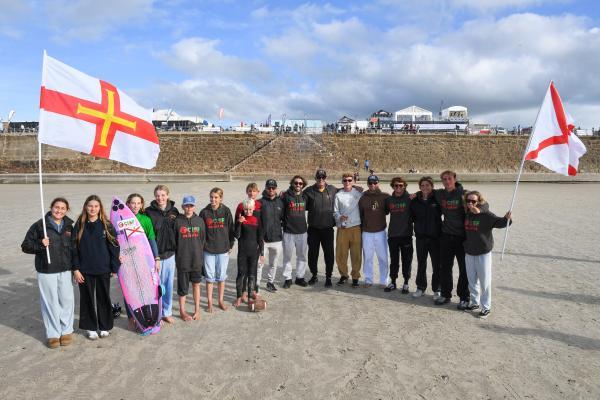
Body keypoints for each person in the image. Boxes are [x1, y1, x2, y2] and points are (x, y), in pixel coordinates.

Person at [21, 197, 75, 349]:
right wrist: (40, 244)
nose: (59, 210)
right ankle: (53, 334)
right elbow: (25, 246)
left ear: (66, 210)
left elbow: (75, 248)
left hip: (65, 269)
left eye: (62, 208)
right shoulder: (40, 225)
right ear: (51, 208)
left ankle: (66, 330)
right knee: (50, 302)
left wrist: (76, 268)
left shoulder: (70, 226)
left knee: (67, 300)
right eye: (56, 207)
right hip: (46, 270)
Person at [72, 195, 120, 340]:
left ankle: (105, 326)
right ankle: (90, 327)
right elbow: (73, 249)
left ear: (100, 208)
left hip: (103, 268)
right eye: (90, 206)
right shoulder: (80, 224)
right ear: (86, 207)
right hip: (84, 270)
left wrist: (114, 267)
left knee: (103, 297)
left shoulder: (106, 224)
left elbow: (114, 247)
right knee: (87, 298)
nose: (93, 209)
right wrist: (75, 269)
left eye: (96, 206)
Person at [463, 191, 512, 318]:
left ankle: (486, 307)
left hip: (483, 253)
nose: (470, 203)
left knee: (484, 282)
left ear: (479, 201)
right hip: (469, 252)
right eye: (468, 201)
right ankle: (474, 303)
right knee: (472, 280)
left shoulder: (486, 215)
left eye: (473, 201)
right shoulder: (466, 213)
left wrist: (507, 218)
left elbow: (500, 223)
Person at [434, 171, 472, 309]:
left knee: (464, 269)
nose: (447, 181)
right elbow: (424, 192)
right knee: (445, 268)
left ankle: (463, 297)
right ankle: (445, 294)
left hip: (462, 238)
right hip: (446, 236)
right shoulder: (440, 194)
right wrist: (415, 195)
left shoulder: (464, 194)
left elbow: (482, 203)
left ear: (455, 179)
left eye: (449, 179)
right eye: (444, 179)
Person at [124, 193, 160, 330]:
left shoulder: (145, 220)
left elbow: (151, 240)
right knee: (130, 289)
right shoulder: (121, 219)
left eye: (138, 203)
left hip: (143, 259)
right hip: (127, 260)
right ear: (127, 204)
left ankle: (146, 316)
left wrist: (156, 258)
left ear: (142, 205)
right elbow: (117, 241)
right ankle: (131, 317)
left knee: (144, 288)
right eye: (133, 203)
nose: (135, 206)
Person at [145, 185, 179, 323]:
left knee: (168, 284)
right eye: (158, 195)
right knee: (154, 286)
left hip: (170, 254)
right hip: (154, 255)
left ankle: (167, 312)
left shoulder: (174, 211)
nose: (160, 198)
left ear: (168, 195)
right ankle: (155, 313)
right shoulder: (148, 212)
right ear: (155, 196)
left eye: (163, 195)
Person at [200, 187, 235, 312]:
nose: (213, 199)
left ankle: (220, 300)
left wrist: (230, 245)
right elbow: (201, 232)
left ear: (221, 198)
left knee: (221, 277)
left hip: (223, 249)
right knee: (210, 277)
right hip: (208, 250)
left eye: (216, 197)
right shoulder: (204, 212)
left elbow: (231, 229)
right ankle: (209, 302)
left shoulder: (226, 211)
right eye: (211, 197)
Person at [173, 195, 206, 321]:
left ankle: (197, 310)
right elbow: (175, 241)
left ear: (194, 206)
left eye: (191, 205)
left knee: (196, 285)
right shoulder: (177, 221)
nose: (189, 208)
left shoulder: (200, 221)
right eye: (186, 205)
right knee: (183, 289)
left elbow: (203, 239)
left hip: (197, 260)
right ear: (182, 207)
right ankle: (182, 311)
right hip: (183, 261)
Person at [304, 169, 337, 287]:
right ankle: (314, 275)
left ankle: (328, 277)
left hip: (327, 229)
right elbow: (297, 197)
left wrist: (357, 188)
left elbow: (346, 192)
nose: (321, 180)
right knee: (313, 254)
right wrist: (285, 192)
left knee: (329, 254)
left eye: (323, 177)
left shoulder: (332, 190)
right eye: (319, 177)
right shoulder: (309, 191)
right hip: (313, 229)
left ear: (326, 178)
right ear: (315, 178)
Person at [410, 177, 442, 298]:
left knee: (436, 264)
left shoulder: (437, 199)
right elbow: (411, 218)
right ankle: (420, 287)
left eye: (427, 185)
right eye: (422, 185)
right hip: (421, 238)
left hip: (435, 237)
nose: (425, 187)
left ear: (432, 186)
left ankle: (437, 288)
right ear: (419, 187)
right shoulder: (415, 201)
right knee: (421, 263)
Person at [358, 175, 390, 288]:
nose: (373, 185)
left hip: (380, 232)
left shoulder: (385, 197)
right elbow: (361, 214)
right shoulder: (362, 198)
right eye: (370, 183)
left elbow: (387, 211)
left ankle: (384, 280)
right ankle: (368, 279)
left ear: (378, 183)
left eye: (375, 183)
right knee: (368, 257)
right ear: (367, 184)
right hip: (367, 232)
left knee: (383, 257)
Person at [233, 198, 264, 307]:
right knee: (241, 275)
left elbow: (260, 237)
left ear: (254, 208)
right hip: (242, 251)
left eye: (250, 209)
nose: (248, 211)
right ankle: (238, 296)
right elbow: (236, 235)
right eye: (246, 209)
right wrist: (239, 224)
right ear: (243, 209)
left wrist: (262, 253)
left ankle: (250, 296)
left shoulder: (257, 219)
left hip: (254, 252)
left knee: (252, 275)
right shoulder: (241, 219)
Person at [333, 172, 362, 288]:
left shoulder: (359, 193)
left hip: (356, 227)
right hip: (343, 228)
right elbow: (335, 211)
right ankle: (344, 275)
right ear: (342, 182)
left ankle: (355, 277)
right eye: (345, 180)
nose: (347, 182)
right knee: (341, 254)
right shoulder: (338, 195)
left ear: (353, 181)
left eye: (350, 180)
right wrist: (340, 216)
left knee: (356, 254)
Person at [385, 177, 413, 293]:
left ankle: (406, 282)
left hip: (406, 235)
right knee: (394, 260)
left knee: (407, 260)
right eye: (396, 185)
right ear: (393, 186)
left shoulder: (410, 198)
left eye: (401, 185)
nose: (398, 188)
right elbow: (383, 211)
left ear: (404, 186)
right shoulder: (389, 200)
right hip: (393, 235)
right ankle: (393, 281)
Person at [281, 175, 309, 288]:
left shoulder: (305, 196)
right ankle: (288, 278)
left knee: (302, 256)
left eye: (300, 183)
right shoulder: (285, 196)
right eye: (296, 183)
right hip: (289, 232)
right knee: (287, 256)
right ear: (292, 183)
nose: (298, 185)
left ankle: (300, 277)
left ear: (303, 185)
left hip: (302, 231)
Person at [260, 179, 284, 292]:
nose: (271, 190)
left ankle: (270, 282)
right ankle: (256, 285)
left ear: (276, 189)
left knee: (273, 264)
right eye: (269, 187)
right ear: (265, 188)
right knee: (259, 264)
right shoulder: (260, 203)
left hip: (277, 239)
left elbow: (284, 219)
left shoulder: (280, 202)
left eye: (273, 188)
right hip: (263, 240)